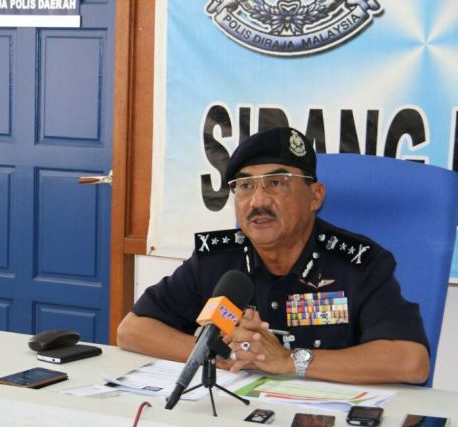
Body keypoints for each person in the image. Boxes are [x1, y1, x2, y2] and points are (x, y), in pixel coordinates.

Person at [117, 127, 429, 385]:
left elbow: (411, 361)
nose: (258, 201)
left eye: (276, 183)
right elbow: (132, 330)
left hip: (324, 426)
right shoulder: (218, 260)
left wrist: (289, 361)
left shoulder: (359, 263)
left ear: (315, 196)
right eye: (245, 186)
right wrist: (220, 356)